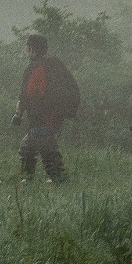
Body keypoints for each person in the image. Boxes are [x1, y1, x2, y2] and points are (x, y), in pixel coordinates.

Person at [12, 32, 79, 182]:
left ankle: (59, 183)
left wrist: (19, 111)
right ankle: (27, 179)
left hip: (41, 119)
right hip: (55, 118)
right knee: (27, 147)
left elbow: (28, 94)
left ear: (32, 49)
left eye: (28, 48)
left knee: (49, 155)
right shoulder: (55, 65)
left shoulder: (34, 68)